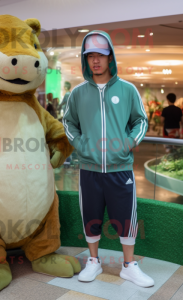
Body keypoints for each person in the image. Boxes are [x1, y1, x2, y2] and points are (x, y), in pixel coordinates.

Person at [63, 31, 154, 287]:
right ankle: (94, 261)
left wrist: (128, 143)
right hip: (89, 169)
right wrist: (81, 144)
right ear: (85, 60)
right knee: (90, 215)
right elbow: (69, 123)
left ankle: (128, 266)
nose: (95, 61)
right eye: (90, 56)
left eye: (100, 55)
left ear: (110, 57)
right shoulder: (78, 94)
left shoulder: (127, 90)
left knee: (126, 218)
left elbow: (140, 120)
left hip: (120, 168)